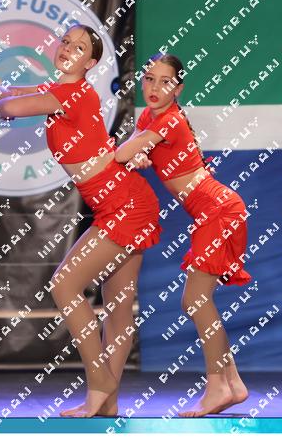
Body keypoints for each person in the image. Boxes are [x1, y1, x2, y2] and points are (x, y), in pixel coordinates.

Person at [0, 24, 161, 417]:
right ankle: (107, 403)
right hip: (122, 201)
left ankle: (101, 383)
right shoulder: (60, 91)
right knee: (118, 307)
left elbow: (12, 107)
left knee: (65, 286)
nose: (68, 48)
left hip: (124, 204)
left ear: (91, 62)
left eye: (80, 47)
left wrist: (1, 103)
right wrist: (8, 94)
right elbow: (23, 95)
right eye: (66, 41)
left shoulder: (73, 93)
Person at [113, 52, 251, 417]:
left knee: (195, 301)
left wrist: (136, 152)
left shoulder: (170, 119)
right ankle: (233, 383)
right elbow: (135, 153)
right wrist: (140, 154)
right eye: (149, 79)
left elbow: (122, 154)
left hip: (219, 209)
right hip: (213, 211)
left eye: (165, 82)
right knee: (198, 302)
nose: (155, 88)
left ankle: (216, 387)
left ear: (178, 89)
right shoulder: (148, 118)